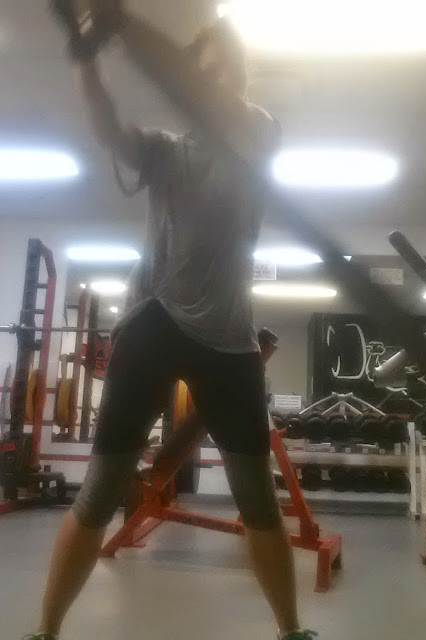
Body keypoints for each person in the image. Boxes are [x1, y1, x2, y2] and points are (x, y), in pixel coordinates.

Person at [24, 4, 317, 640]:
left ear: (241, 78)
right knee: (100, 492)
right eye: (206, 67)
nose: (214, 78)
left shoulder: (258, 134)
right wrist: (84, 55)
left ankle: (292, 630)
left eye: (225, 68)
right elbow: (109, 130)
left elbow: (204, 97)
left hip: (229, 338)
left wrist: (121, 22)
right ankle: (44, 631)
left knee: (257, 499)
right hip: (154, 323)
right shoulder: (166, 151)